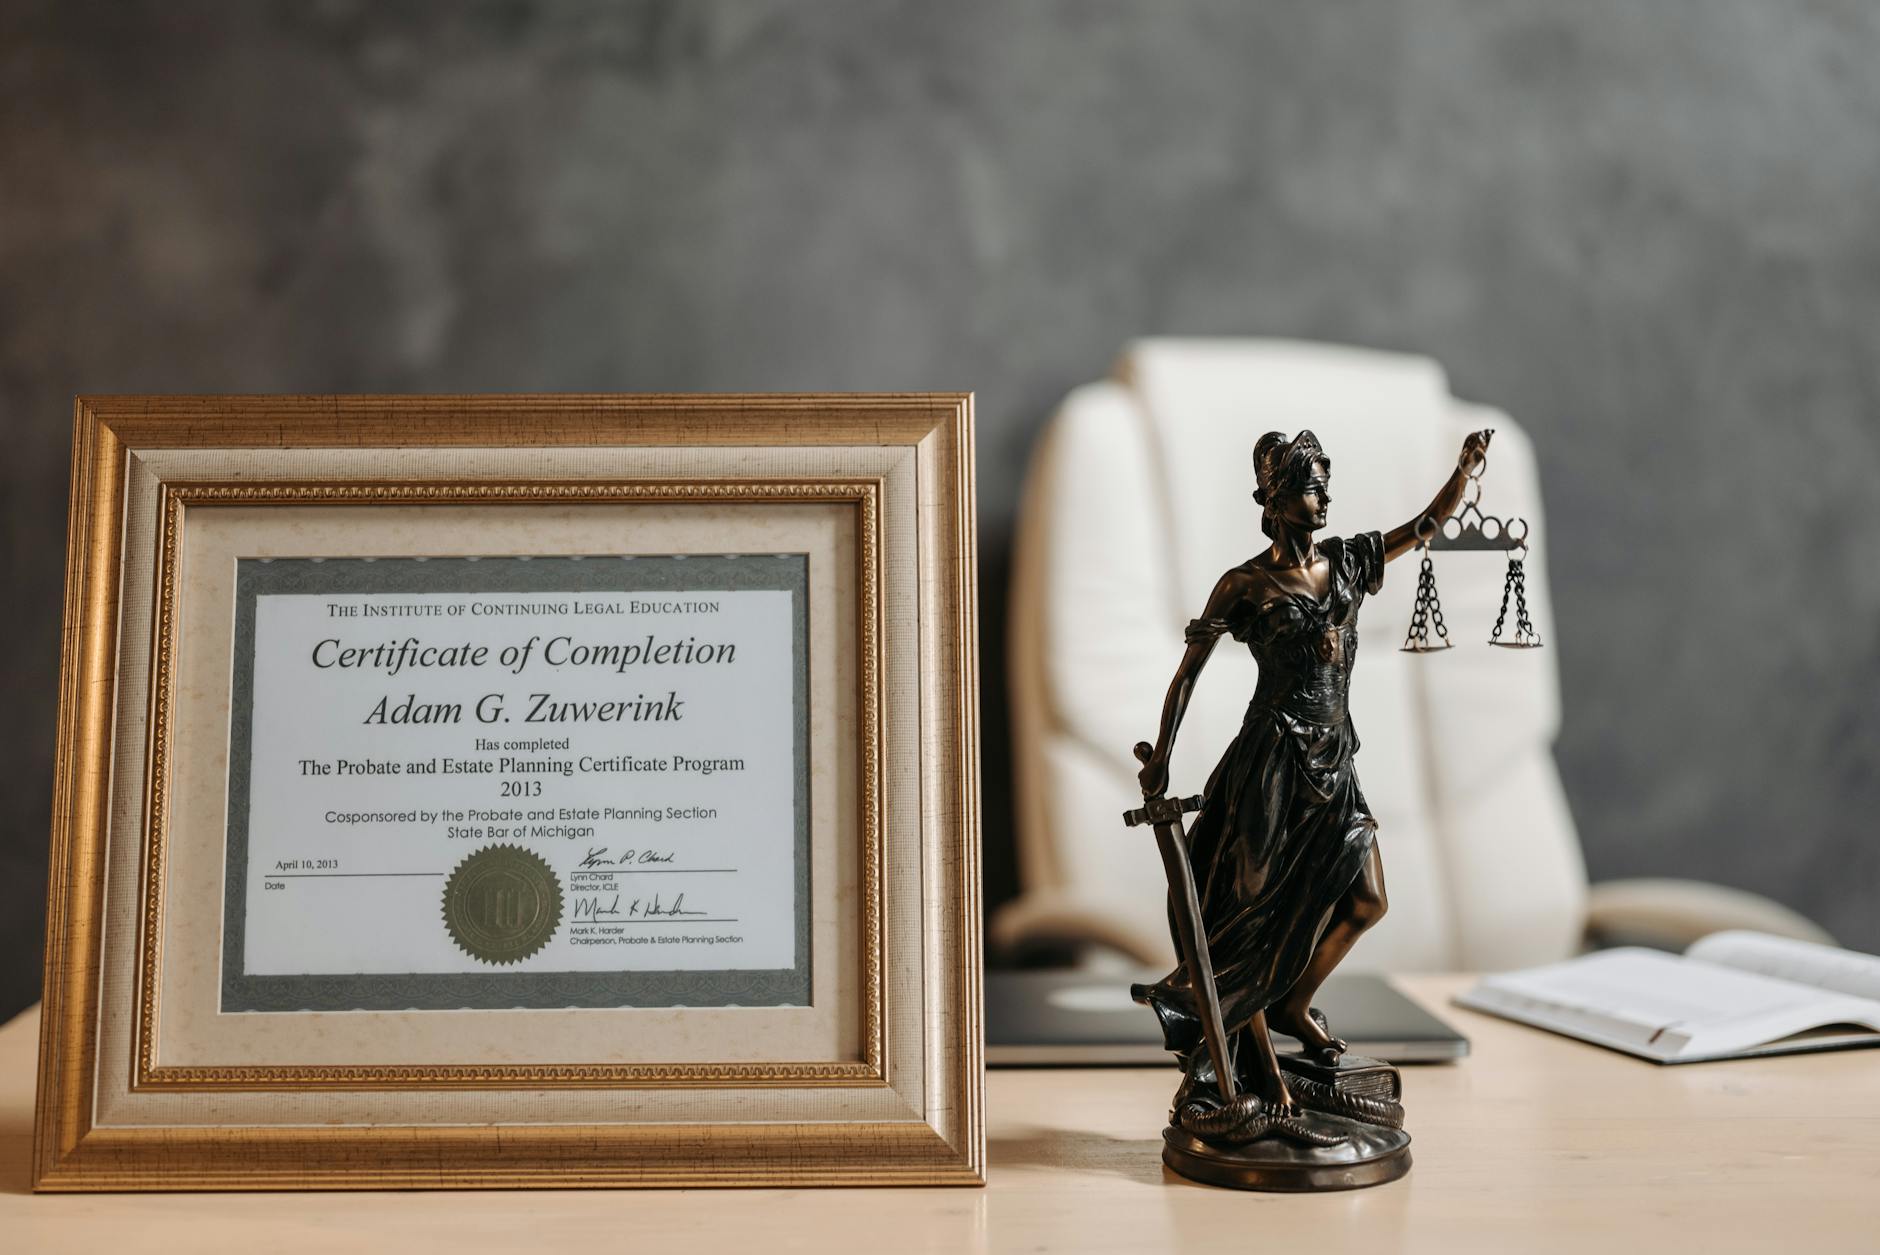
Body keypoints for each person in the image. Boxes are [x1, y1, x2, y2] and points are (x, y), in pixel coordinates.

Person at [1134, 426, 1492, 1114]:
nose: (1323, 496)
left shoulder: (1347, 561)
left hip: (1335, 758)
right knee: (1258, 923)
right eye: (1309, 484)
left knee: (1366, 898)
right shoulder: (1244, 584)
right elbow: (1188, 675)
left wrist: (1463, 471)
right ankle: (1264, 1080)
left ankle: (1295, 1004)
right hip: (1270, 766)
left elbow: (1422, 528)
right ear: (1272, 498)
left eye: (1326, 483)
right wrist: (1162, 758)